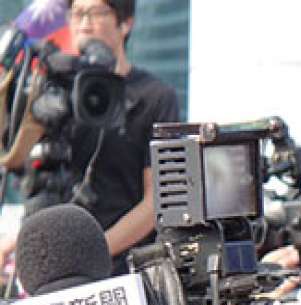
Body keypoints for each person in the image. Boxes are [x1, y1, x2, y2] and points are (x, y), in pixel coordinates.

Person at [0, 0, 180, 274]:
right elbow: (27, 173)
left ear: (125, 22)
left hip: (121, 270)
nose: (84, 23)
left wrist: (92, 251)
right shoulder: (51, 92)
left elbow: (156, 202)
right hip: (50, 273)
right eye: (77, 13)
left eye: (96, 12)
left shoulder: (155, 96)